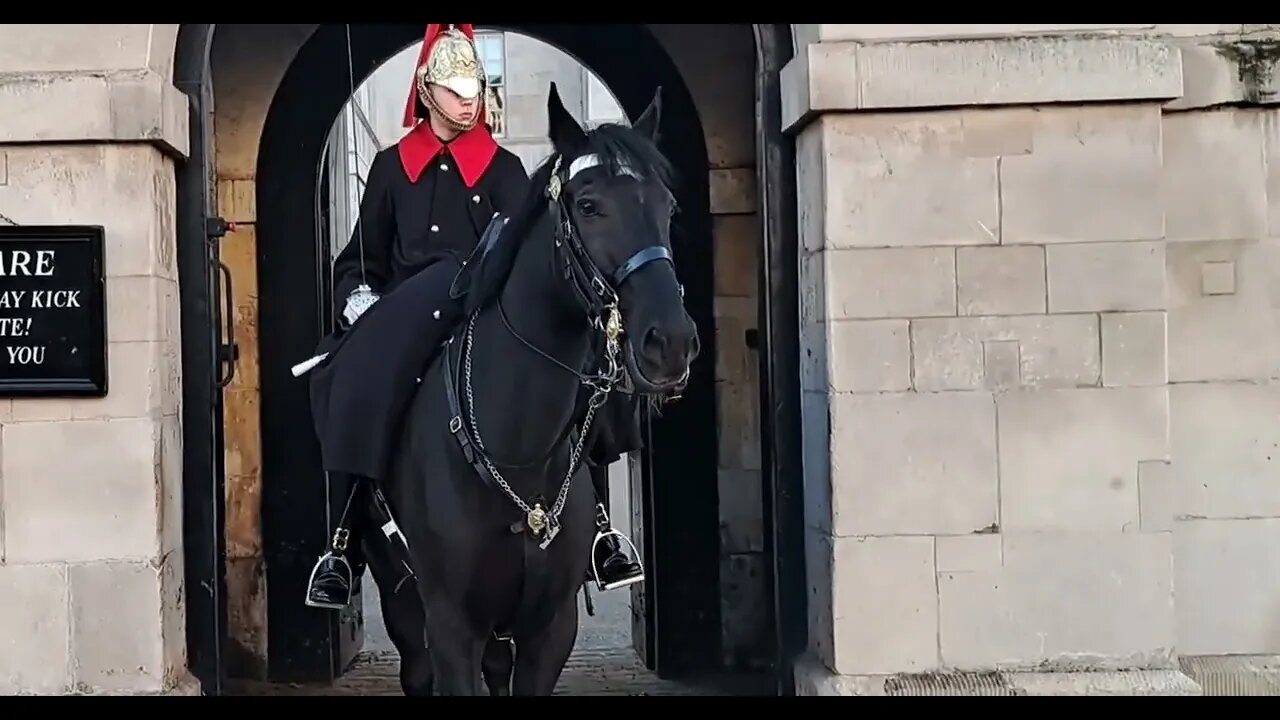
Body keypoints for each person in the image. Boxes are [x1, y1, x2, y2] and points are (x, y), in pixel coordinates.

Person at [303, 23, 644, 611]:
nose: (470, 102)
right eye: (457, 93)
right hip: (410, 306)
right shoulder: (389, 168)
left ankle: (602, 526)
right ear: (428, 93)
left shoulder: (505, 167)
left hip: (486, 305)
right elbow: (364, 255)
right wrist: (359, 297)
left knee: (586, 375)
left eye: (475, 91)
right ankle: (341, 543)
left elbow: (529, 250)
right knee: (352, 377)